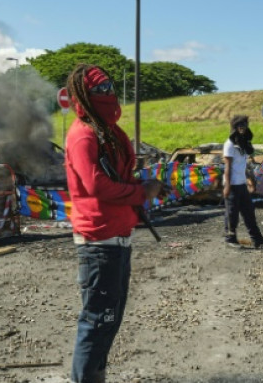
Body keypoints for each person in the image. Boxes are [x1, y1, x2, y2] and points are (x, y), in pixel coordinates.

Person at [64, 63, 164, 383]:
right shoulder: (82, 135)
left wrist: (143, 187)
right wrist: (138, 192)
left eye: (110, 87)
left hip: (117, 240)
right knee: (96, 323)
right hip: (99, 243)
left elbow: (115, 176)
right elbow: (94, 185)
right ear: (85, 94)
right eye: (102, 89)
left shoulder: (107, 132)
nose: (110, 93)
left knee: (108, 322)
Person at [222, 115, 263, 248]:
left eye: (244, 125)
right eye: (240, 126)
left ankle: (257, 238)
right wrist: (227, 186)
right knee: (232, 213)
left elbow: (245, 165)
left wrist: (251, 180)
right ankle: (230, 239)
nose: (242, 128)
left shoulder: (243, 144)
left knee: (249, 211)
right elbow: (227, 166)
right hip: (232, 184)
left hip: (241, 184)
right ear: (235, 127)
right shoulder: (229, 144)